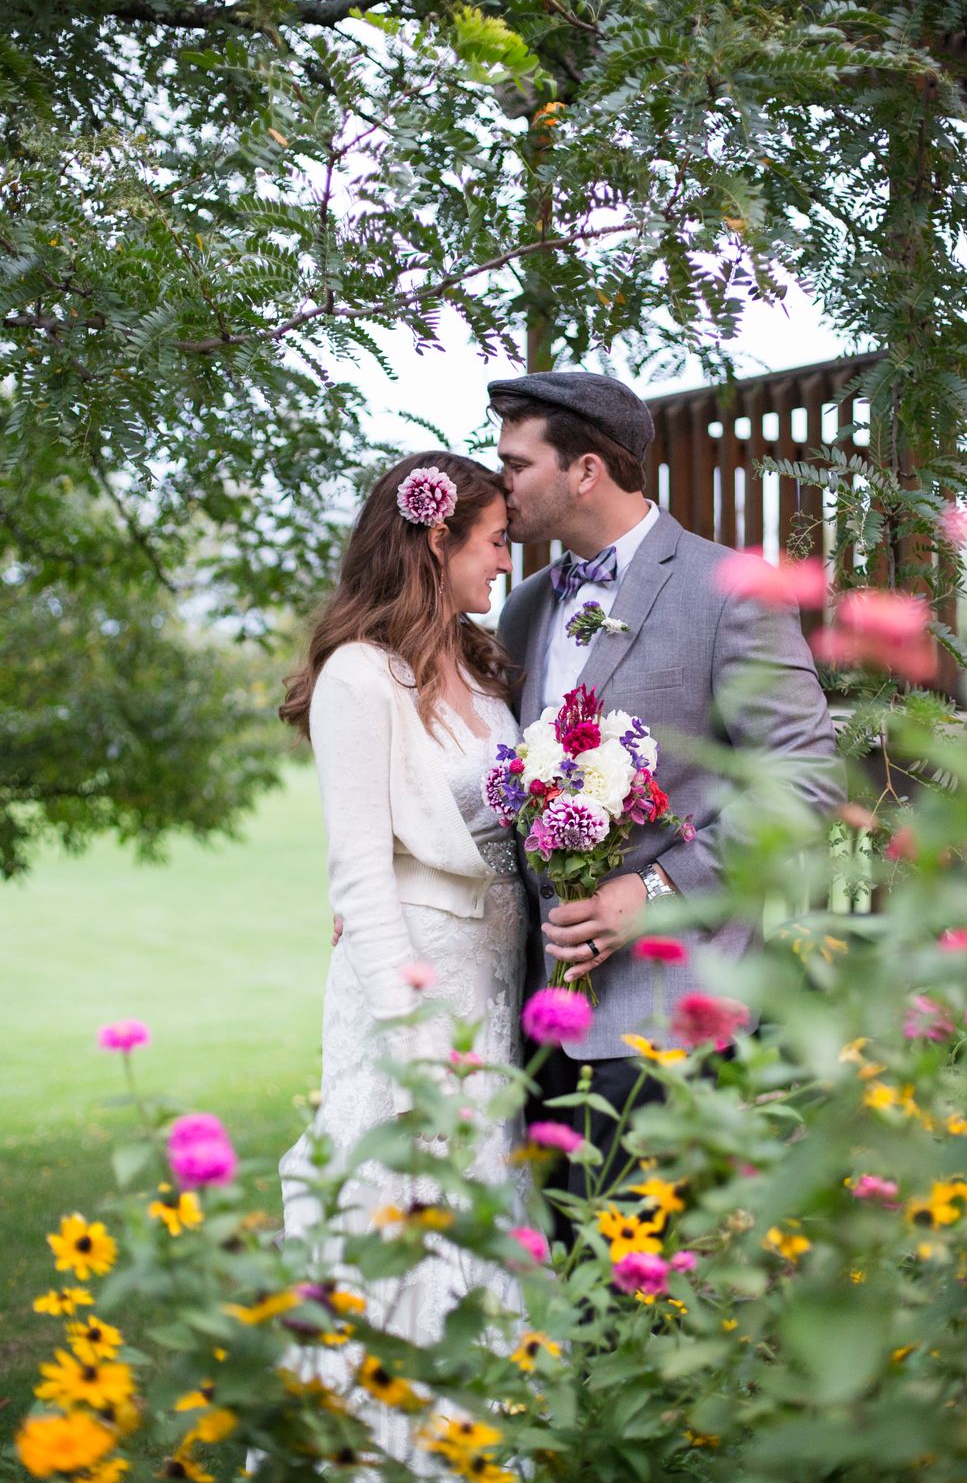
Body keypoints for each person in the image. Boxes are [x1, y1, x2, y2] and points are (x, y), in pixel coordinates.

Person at [488, 371, 846, 1227]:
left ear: (584, 472)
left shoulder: (730, 590)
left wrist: (652, 890)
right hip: (542, 1020)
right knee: (579, 1286)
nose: (500, 482)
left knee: (664, 1301)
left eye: (515, 463)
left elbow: (807, 781)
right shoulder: (528, 605)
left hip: (674, 1019)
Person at [277, 453, 526, 1419]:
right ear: (436, 537)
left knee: (482, 1218)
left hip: (492, 988)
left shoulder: (477, 661)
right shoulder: (358, 677)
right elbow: (360, 879)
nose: (505, 565)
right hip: (414, 1001)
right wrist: (414, 1037)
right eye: (496, 542)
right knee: (404, 1226)